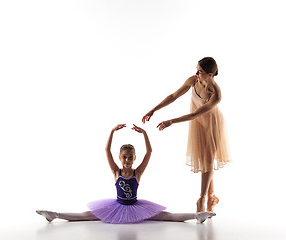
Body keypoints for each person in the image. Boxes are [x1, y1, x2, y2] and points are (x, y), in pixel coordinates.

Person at [36, 124, 215, 224]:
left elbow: (149, 152)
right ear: (120, 158)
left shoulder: (138, 172)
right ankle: (55, 214)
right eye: (124, 157)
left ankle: (197, 216)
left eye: (130, 157)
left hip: (137, 205)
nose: (127, 160)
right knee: (86, 215)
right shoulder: (116, 171)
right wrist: (112, 132)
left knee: (166, 217)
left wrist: (144, 133)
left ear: (134, 157)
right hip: (116, 206)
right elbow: (106, 150)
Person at [142, 57, 232, 212]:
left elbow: (194, 114)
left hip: (211, 123)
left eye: (200, 71)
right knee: (204, 160)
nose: (196, 73)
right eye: (196, 69)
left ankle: (201, 199)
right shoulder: (193, 80)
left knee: (208, 160)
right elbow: (173, 96)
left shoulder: (216, 94)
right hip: (198, 123)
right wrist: (154, 110)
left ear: (210, 75)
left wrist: (171, 121)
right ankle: (211, 196)